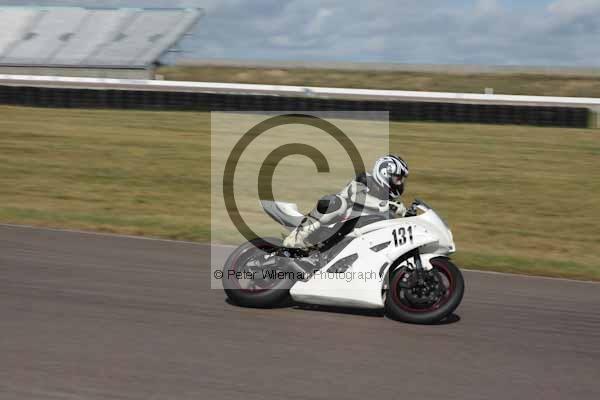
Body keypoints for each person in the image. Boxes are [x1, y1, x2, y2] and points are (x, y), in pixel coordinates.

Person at [283, 154, 410, 249]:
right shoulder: (365, 179)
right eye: (398, 178)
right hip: (334, 224)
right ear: (385, 173)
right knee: (337, 203)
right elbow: (357, 197)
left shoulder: (387, 199)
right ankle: (296, 237)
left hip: (354, 236)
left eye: (402, 180)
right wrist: (388, 205)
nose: (400, 183)